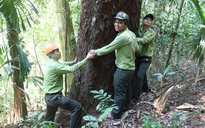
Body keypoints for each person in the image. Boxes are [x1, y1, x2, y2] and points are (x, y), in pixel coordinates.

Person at [90, 11, 139, 119]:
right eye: (115, 22)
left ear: (126, 24)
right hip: (130, 68)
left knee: (119, 91)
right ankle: (125, 107)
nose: (116, 24)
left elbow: (109, 48)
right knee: (126, 89)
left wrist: (95, 52)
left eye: (120, 22)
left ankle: (116, 114)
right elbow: (137, 48)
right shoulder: (131, 34)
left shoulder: (123, 37)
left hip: (123, 69)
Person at [43, 43, 95, 128]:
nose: (59, 52)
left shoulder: (51, 63)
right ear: (52, 54)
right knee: (76, 107)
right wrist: (86, 59)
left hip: (49, 98)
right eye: (57, 51)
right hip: (55, 97)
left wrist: (73, 62)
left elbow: (62, 64)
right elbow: (72, 69)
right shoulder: (55, 65)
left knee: (49, 119)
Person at [131, 14, 156, 105]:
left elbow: (144, 40)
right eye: (146, 19)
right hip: (138, 57)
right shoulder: (139, 31)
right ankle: (146, 89)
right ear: (143, 20)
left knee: (139, 76)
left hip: (146, 58)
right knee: (142, 75)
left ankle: (134, 98)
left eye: (150, 20)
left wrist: (131, 38)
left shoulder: (151, 33)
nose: (147, 20)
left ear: (151, 23)